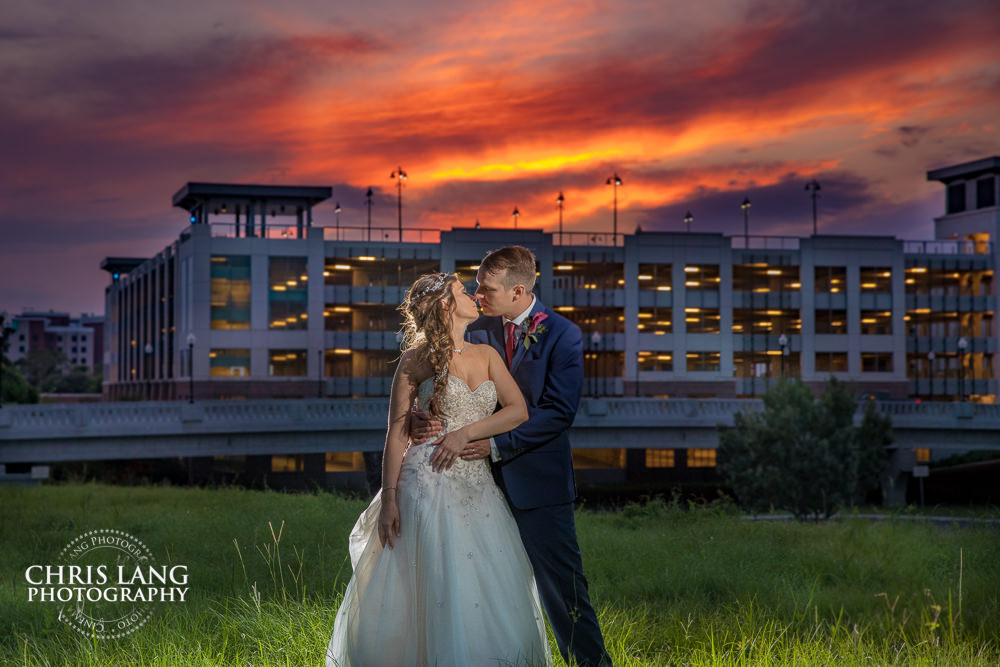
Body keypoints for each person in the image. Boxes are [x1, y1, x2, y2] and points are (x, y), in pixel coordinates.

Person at [326, 272, 552, 667]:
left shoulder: (487, 355)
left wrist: (466, 433)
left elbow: (518, 411)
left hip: (475, 486)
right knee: (426, 582)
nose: (473, 296)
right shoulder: (415, 361)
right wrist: (390, 498)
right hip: (424, 481)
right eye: (464, 291)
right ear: (446, 305)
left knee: (484, 582)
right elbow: (396, 434)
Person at [412, 246, 612, 667]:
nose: (478, 295)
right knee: (485, 587)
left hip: (537, 484)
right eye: (476, 288)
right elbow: (441, 390)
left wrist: (498, 445)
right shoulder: (476, 333)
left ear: (517, 290)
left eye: (485, 289)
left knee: (562, 588)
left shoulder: (563, 334)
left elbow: (558, 412)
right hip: (474, 484)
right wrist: (419, 419)